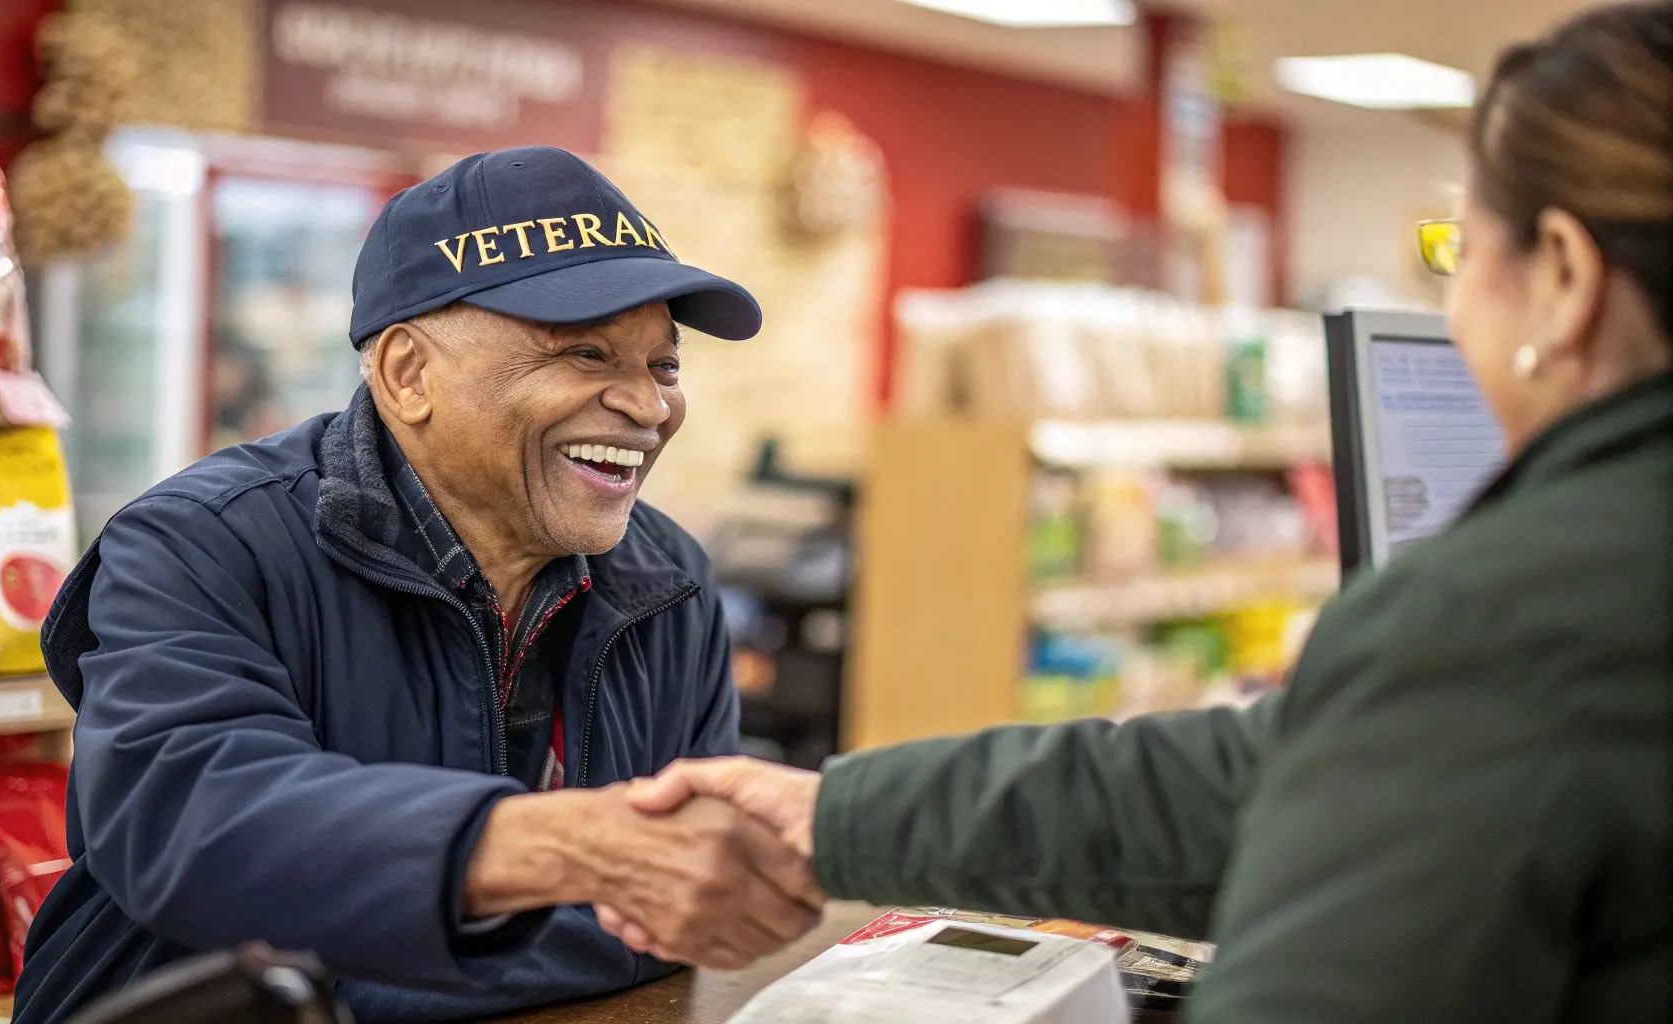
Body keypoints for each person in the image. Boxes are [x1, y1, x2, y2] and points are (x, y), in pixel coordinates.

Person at [610, 4, 1673, 1020]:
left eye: (1459, 248)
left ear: (1566, 277)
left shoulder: (1503, 621)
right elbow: (1247, 784)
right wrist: (836, 814)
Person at [11, 147, 823, 1024]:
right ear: (407, 373)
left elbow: (680, 909)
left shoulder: (669, 581)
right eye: (586, 353)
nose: (647, 404)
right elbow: (196, 829)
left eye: (663, 366)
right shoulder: (201, 544)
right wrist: (571, 851)